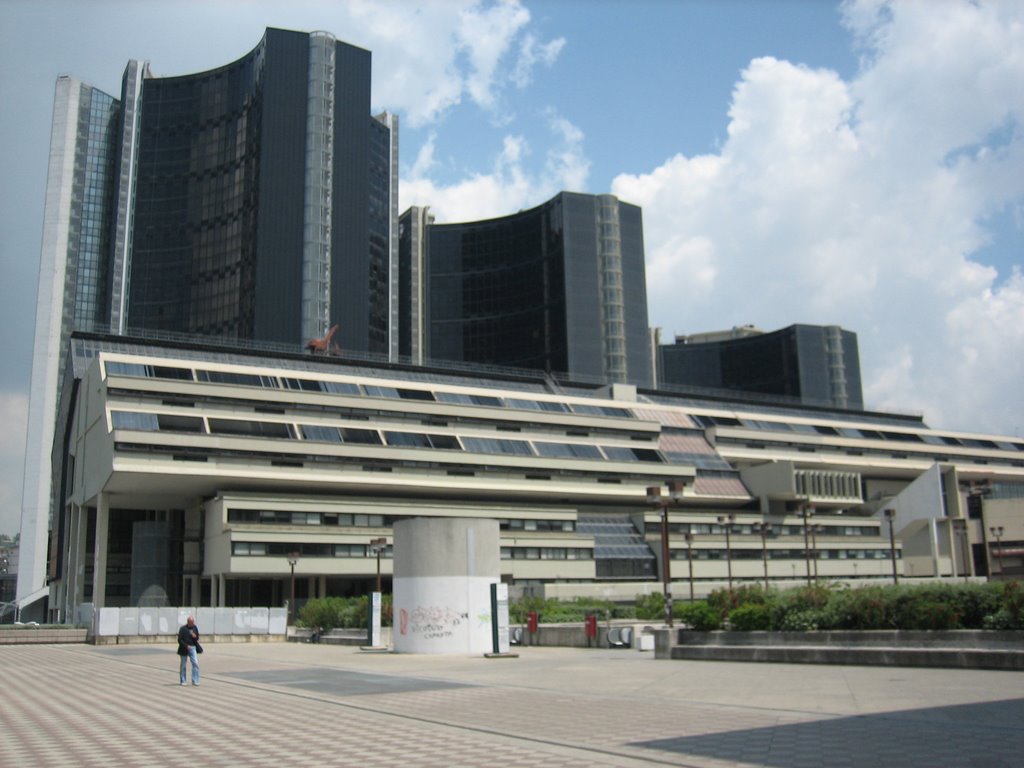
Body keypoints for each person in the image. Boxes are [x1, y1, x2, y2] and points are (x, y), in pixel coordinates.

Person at [177, 615, 201, 686]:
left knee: (195, 663)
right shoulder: (183, 629)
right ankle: (183, 680)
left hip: (193, 647)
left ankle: (195, 680)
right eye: (191, 622)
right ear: (188, 622)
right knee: (183, 665)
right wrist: (186, 645)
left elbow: (197, 637)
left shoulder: (195, 628)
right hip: (184, 648)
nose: (193, 624)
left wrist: (195, 636)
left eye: (193, 622)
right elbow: (179, 640)